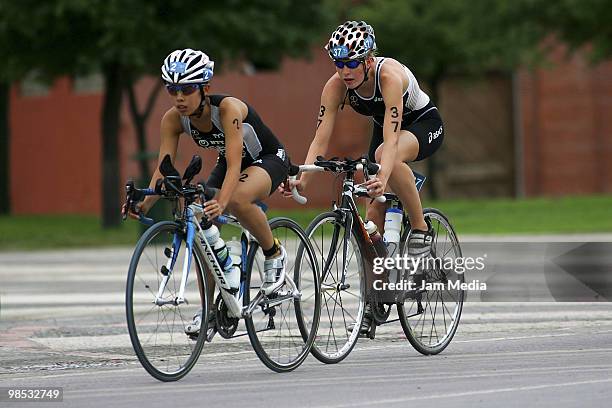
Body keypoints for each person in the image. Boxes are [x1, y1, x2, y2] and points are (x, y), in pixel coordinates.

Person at [284, 21, 444, 331]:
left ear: (368, 60)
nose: (344, 70)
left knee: (385, 156)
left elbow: (393, 137)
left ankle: (422, 231)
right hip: (385, 132)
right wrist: (304, 177)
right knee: (372, 218)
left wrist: (383, 177)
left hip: (421, 125)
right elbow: (320, 137)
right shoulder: (334, 87)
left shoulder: (389, 77)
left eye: (351, 63)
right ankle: (379, 295)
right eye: (339, 63)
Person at [126, 48, 290, 336]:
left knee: (237, 199)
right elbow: (164, 168)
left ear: (205, 88)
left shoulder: (228, 109)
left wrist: (222, 201)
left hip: (268, 158)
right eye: (172, 89)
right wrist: (145, 203)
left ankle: (273, 252)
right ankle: (211, 309)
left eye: (187, 89)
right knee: (196, 221)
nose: (179, 97)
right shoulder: (172, 119)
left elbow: (238, 162)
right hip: (228, 162)